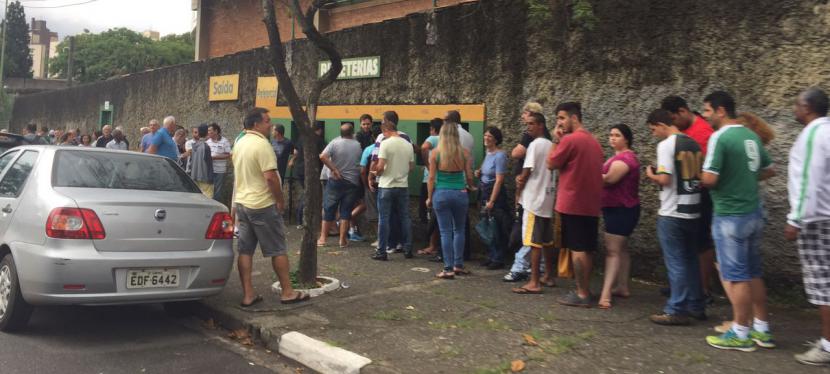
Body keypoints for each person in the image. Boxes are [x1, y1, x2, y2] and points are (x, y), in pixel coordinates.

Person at [701, 91, 775, 351]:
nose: (705, 116)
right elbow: (769, 169)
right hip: (753, 212)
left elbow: (710, 178)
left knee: (735, 275)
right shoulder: (750, 135)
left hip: (729, 214)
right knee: (753, 272)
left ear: (721, 111)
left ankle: (740, 333)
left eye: (707, 110)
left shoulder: (720, 137)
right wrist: (744, 178)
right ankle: (762, 329)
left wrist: (697, 178)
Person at [643, 109, 705, 324]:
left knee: (676, 262)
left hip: (672, 210)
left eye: (653, 130)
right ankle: (697, 305)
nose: (654, 134)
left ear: (662, 125)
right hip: (693, 208)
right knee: (691, 260)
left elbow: (665, 179)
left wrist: (651, 175)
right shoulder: (693, 143)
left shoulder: (666, 145)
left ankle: (676, 309)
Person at [784, 88, 830, 365]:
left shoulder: (813, 134)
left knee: (823, 285)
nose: (794, 109)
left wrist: (795, 219)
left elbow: (807, 181)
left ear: (808, 107)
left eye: (796, 105)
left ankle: (828, 346)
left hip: (816, 221)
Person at [547, 102, 604, 308]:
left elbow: (551, 163)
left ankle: (581, 293)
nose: (559, 123)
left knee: (577, 248)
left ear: (574, 118)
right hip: (591, 203)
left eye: (562, 118)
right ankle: (585, 289)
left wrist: (556, 139)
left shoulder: (570, 140)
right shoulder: (594, 141)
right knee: (587, 248)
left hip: (573, 202)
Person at [661, 96, 717, 304]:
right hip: (686, 192)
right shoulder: (685, 132)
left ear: (683, 111)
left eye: (674, 119)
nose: (672, 125)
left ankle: (702, 289)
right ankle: (685, 286)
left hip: (700, 192)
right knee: (687, 243)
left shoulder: (703, 133)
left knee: (701, 242)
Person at [504, 102, 552, 282]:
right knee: (545, 240)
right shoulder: (550, 143)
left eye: (531, 123)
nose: (528, 127)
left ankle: (526, 273)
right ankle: (545, 272)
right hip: (546, 197)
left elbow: (526, 169)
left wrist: (520, 186)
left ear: (540, 124)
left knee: (531, 238)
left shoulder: (534, 144)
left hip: (533, 198)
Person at [598, 124, 640, 309]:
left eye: (617, 135)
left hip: (621, 209)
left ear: (627, 139)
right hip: (616, 208)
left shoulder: (625, 158)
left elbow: (609, 179)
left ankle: (605, 294)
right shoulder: (618, 157)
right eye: (611, 135)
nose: (612, 138)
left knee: (612, 251)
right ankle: (622, 286)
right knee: (621, 249)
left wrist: (588, 172)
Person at [427, 120, 475, 279]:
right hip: (460, 193)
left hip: (441, 194)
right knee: (459, 230)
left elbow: (431, 178)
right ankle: (458, 265)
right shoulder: (465, 153)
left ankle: (447, 268)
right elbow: (469, 175)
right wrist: (471, 186)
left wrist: (429, 197)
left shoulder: (435, 153)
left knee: (445, 232)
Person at [371, 111, 415, 261]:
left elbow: (380, 166)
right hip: (403, 185)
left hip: (386, 185)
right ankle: (408, 248)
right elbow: (411, 167)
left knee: (384, 218)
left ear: (386, 130)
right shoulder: (408, 144)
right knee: (405, 217)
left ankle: (382, 250)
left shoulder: (385, 142)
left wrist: (375, 172)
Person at [317, 123, 363, 248]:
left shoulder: (335, 142)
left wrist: (334, 169)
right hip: (352, 182)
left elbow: (322, 156)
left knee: (329, 209)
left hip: (336, 181)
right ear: (352, 132)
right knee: (346, 211)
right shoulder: (358, 145)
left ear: (340, 133)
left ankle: (323, 238)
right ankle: (342, 240)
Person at [477, 126, 509, 270]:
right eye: (485, 135)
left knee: (496, 226)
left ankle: (498, 258)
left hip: (494, 193)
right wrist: (479, 173)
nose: (486, 138)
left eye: (489, 136)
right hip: (484, 191)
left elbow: (499, 180)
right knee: (487, 225)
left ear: (496, 139)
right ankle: (491, 255)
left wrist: (492, 201)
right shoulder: (488, 153)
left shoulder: (500, 155)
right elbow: (487, 171)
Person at [418, 118, 443, 257]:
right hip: (442, 181)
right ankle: (436, 245)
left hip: (429, 180)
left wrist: (427, 164)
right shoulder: (447, 140)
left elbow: (423, 147)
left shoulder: (433, 138)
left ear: (433, 129)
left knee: (428, 213)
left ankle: (432, 245)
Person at [206, 123, 232, 202]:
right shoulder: (207, 142)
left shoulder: (224, 141)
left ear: (216, 131)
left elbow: (229, 155)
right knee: (209, 190)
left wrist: (215, 157)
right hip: (209, 170)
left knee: (218, 191)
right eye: (208, 131)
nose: (208, 132)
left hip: (220, 171)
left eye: (210, 130)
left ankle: (216, 206)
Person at [188, 124, 214, 196]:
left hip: (195, 175)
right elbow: (208, 164)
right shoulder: (205, 147)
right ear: (207, 133)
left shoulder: (194, 145)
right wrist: (210, 178)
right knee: (208, 198)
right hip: (204, 177)